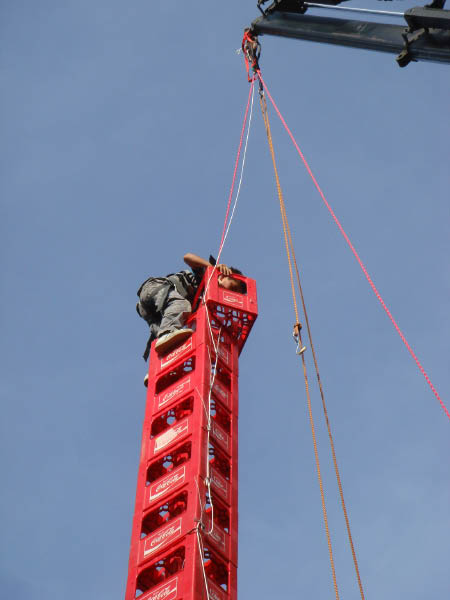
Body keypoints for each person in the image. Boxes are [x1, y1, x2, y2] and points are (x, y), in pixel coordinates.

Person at [136, 253, 246, 361]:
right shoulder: (207, 276)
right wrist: (212, 268)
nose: (230, 293)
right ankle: (166, 333)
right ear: (223, 276)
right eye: (232, 287)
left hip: (151, 309)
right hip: (156, 289)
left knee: (165, 341)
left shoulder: (204, 299)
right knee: (182, 306)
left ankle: (160, 356)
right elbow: (187, 257)